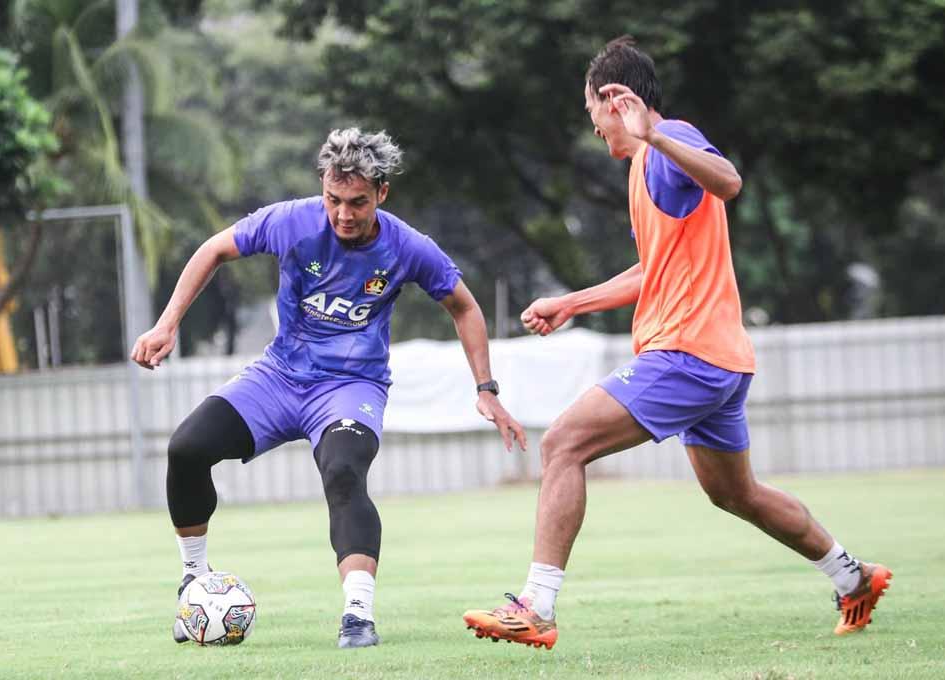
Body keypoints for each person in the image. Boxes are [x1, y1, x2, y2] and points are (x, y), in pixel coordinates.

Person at [462, 37, 891, 650]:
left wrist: (656, 135)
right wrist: (571, 301)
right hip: (717, 358)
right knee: (735, 494)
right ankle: (853, 576)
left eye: (594, 115)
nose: (596, 132)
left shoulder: (669, 144)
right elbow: (653, 270)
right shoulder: (648, 169)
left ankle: (537, 606)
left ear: (617, 101)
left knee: (563, 444)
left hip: (687, 354)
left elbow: (731, 181)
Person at [131, 128, 527, 649]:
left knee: (343, 471)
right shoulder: (289, 221)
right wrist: (167, 323)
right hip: (278, 376)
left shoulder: (408, 247)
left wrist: (486, 387)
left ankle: (358, 616)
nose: (343, 214)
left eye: (357, 202)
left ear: (382, 193)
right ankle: (193, 581)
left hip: (351, 387)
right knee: (186, 449)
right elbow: (214, 249)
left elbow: (464, 307)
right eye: (333, 200)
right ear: (322, 188)